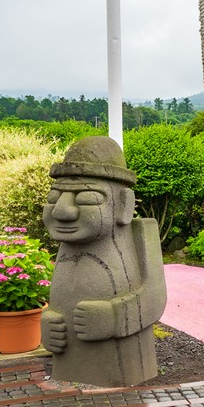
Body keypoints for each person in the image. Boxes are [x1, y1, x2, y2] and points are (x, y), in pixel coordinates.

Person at [41, 136, 167, 387]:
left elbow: (155, 297)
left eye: (87, 199)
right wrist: (48, 323)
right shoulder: (68, 242)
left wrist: (114, 317)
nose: (61, 211)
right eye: (54, 197)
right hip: (69, 361)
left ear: (124, 205)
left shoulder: (141, 234)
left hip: (121, 365)